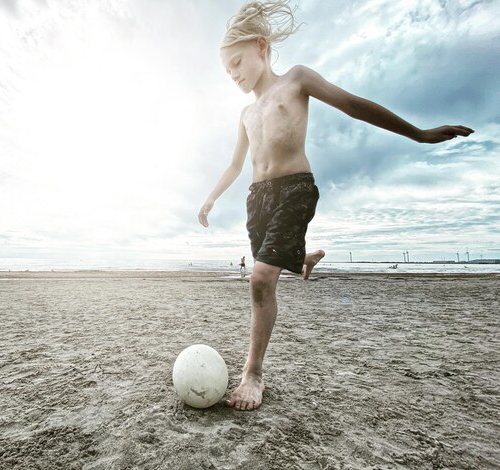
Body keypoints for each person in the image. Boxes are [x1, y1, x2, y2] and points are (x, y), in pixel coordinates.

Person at [198, 1, 473, 411]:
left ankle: (252, 373)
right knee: (271, 263)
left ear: (260, 46)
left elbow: (353, 104)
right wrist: (211, 195)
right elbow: (236, 164)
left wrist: (418, 134)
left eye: (237, 62)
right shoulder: (245, 113)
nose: (234, 73)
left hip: (295, 188)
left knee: (260, 279)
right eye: (227, 70)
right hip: (257, 199)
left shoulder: (295, 80)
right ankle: (305, 260)